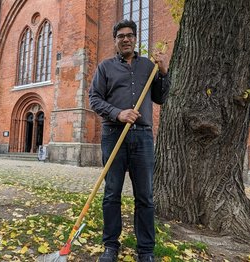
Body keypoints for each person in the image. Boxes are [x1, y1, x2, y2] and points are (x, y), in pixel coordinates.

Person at [88, 19, 170, 262]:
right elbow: (94, 98)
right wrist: (118, 113)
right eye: (121, 35)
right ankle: (110, 246)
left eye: (130, 35)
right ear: (115, 40)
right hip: (113, 135)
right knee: (112, 193)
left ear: (135, 39)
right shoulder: (105, 68)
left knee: (145, 196)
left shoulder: (148, 66)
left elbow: (161, 98)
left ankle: (145, 251)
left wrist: (164, 72)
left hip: (142, 137)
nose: (125, 39)